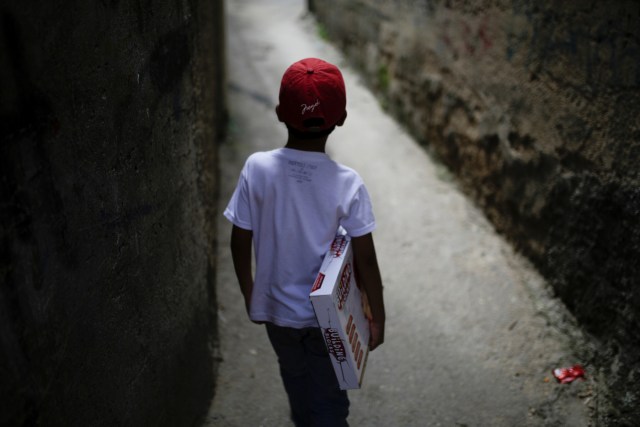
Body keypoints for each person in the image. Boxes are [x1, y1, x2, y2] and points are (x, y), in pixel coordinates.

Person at [224, 57, 385, 427]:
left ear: (281, 112)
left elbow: (239, 239)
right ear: (340, 118)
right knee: (329, 400)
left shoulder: (256, 169)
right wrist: (379, 315)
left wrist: (251, 294)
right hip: (326, 321)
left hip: (277, 316)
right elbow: (367, 260)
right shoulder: (348, 183)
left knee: (295, 382)